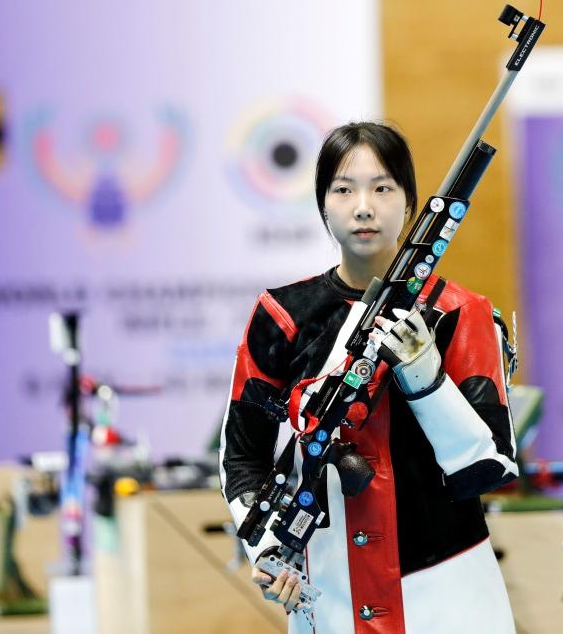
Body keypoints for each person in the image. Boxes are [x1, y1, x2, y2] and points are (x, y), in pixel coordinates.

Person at [219, 121, 519, 633]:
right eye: (343, 189)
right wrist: (269, 550)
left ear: (410, 203)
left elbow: (488, 467)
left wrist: (425, 377)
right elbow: (242, 456)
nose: (363, 207)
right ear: (322, 205)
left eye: (382, 188)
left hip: (447, 595)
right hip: (326, 589)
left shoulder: (461, 313)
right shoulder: (282, 316)